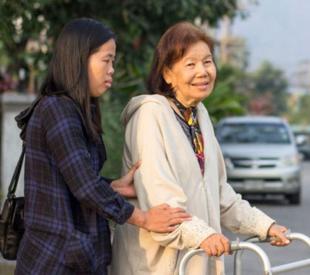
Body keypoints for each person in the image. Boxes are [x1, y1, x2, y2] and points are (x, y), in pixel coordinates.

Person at [111, 22, 290, 275]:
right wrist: (204, 235)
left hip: (194, 260)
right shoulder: (150, 115)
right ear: (167, 74)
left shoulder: (198, 116)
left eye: (207, 62)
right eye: (190, 64)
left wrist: (265, 226)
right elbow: (161, 199)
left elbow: (219, 196)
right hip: (156, 265)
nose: (203, 71)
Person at [14, 18, 191, 275]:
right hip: (54, 260)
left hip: (73, 256)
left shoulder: (75, 109)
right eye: (106, 60)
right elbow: (85, 186)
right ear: (79, 58)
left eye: (113, 62)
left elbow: (73, 179)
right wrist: (144, 218)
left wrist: (111, 186)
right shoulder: (58, 109)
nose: (111, 70)